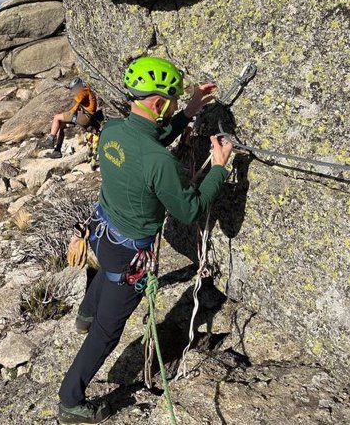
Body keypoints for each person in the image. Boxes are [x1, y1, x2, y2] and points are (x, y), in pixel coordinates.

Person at [57, 56, 233, 424]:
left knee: (105, 274)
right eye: (169, 102)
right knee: (107, 334)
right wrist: (218, 168)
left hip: (102, 234)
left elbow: (152, 136)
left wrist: (188, 112)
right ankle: (70, 399)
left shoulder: (114, 130)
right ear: (156, 103)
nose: (171, 107)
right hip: (129, 253)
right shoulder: (159, 163)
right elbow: (190, 210)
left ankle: (85, 314)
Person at [40, 77, 98, 158]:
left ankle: (50, 140)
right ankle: (57, 150)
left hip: (84, 117)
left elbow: (78, 101)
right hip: (85, 117)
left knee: (56, 118)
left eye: (74, 89)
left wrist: (72, 111)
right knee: (62, 126)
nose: (74, 91)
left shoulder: (83, 91)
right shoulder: (87, 91)